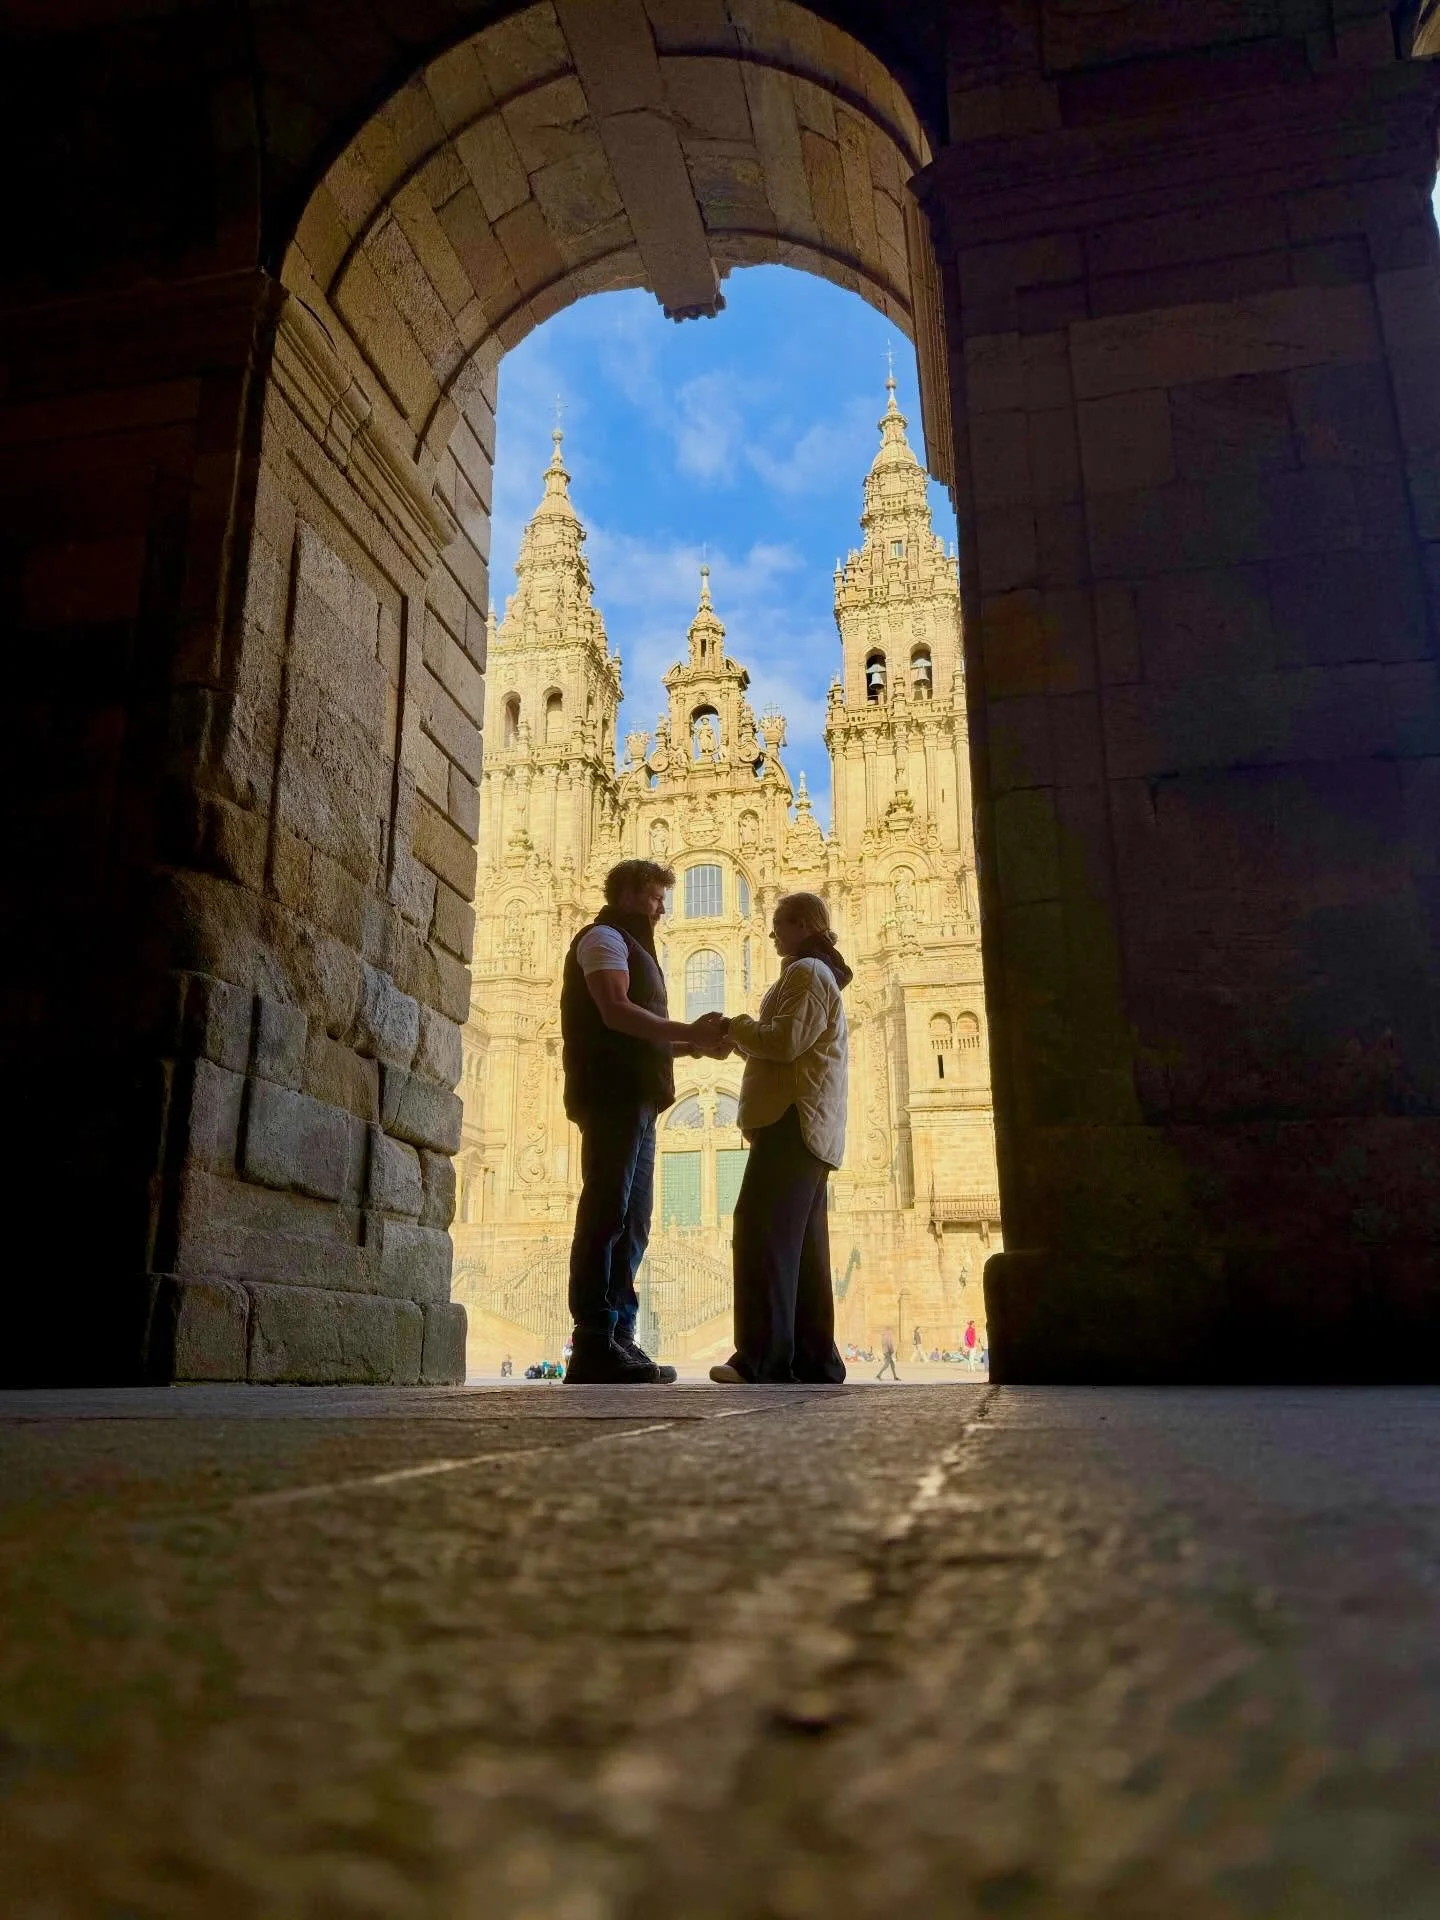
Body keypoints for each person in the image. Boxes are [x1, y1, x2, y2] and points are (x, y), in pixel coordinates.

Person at [561, 858, 728, 1384]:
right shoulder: (603, 940)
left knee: (634, 1223)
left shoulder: (633, 946)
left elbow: (640, 1037)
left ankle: (621, 1340)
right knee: (606, 1215)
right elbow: (614, 1012)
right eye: (656, 897)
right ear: (631, 893)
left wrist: (689, 1048)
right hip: (611, 1095)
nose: (663, 908)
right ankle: (592, 1340)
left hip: (639, 1098)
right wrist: (688, 1032)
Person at [706, 892, 851, 1385]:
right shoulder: (810, 973)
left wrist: (734, 1026)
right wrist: (744, 1042)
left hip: (793, 1119)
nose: (771, 935)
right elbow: (789, 1047)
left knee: (761, 1230)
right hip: (801, 1118)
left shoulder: (808, 973)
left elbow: (785, 1042)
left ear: (804, 925)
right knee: (803, 1248)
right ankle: (814, 1361)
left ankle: (761, 1358)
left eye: (778, 925)